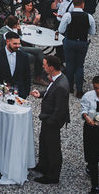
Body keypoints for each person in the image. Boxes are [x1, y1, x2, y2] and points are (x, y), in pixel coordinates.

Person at [32, 55, 70, 184]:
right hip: (47, 118)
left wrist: (51, 121)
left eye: (44, 65)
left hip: (52, 121)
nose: (43, 66)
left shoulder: (61, 85)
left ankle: (53, 175)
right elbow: (50, 91)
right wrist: (41, 94)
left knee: (53, 148)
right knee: (44, 143)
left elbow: (60, 109)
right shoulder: (57, 78)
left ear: (51, 67)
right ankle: (43, 166)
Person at [60, 0, 95, 95]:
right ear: (83, 5)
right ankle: (79, 90)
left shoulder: (68, 15)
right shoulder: (89, 17)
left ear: (73, 4)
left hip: (70, 41)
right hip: (82, 42)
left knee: (70, 64)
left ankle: (70, 87)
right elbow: (92, 32)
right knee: (80, 66)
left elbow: (61, 30)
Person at [0, 31, 32, 98]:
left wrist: (26, 92)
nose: (18, 46)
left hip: (19, 93)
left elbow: (27, 75)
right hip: (1, 92)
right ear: (7, 42)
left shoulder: (24, 56)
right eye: (15, 44)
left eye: (19, 44)